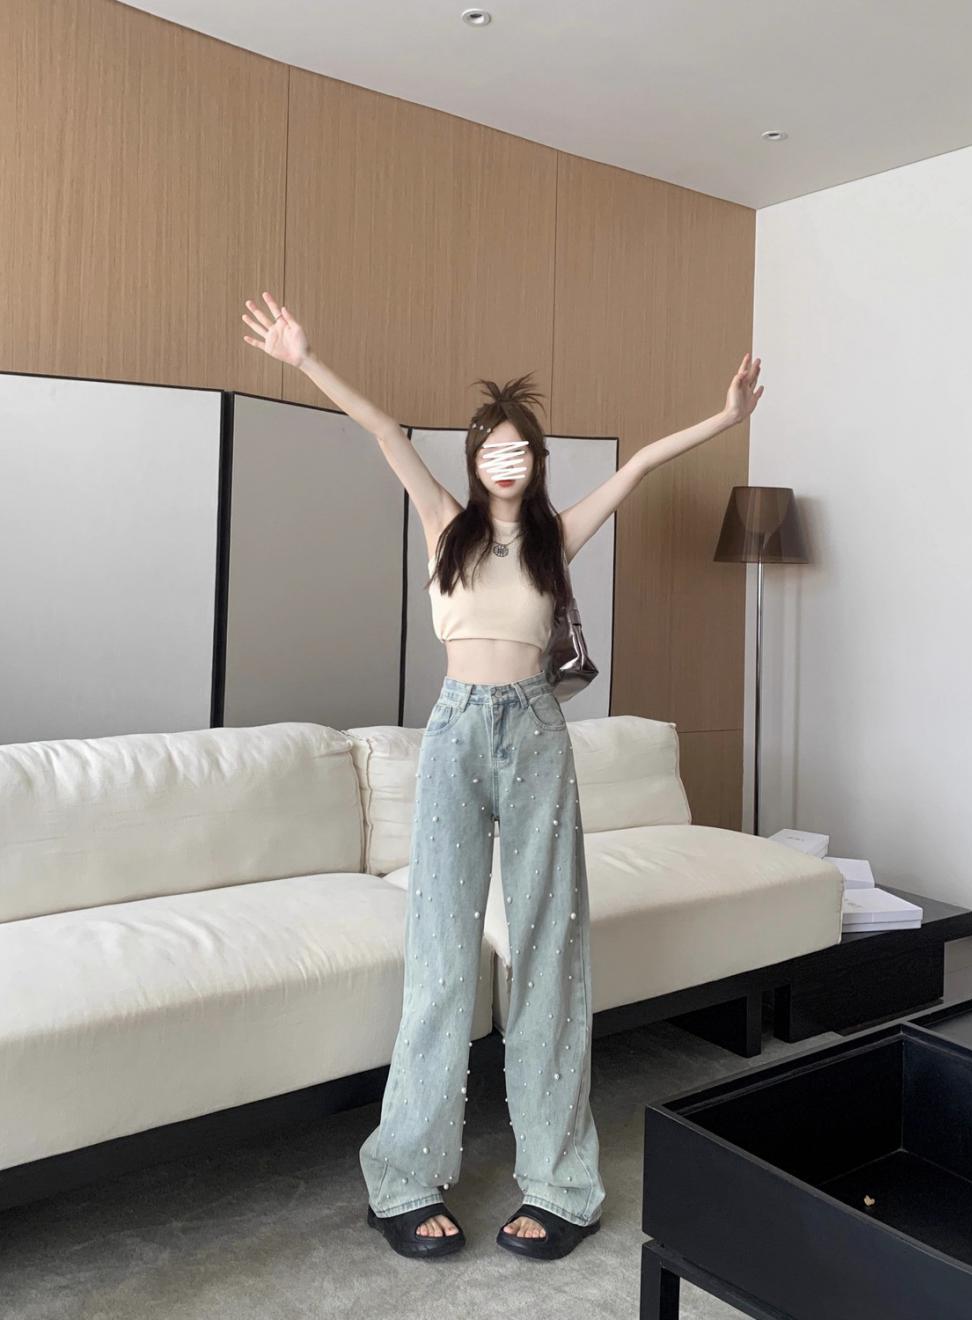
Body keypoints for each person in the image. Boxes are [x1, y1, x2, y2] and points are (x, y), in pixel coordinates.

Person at [241, 292, 763, 1260]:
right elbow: (383, 430)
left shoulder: (558, 538)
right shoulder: (444, 522)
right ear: (476, 459)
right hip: (454, 734)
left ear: (537, 461)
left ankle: (561, 1183)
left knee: (548, 952)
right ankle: (403, 1176)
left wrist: (725, 420)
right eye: (492, 448)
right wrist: (304, 358)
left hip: (535, 734)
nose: (505, 461)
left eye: (520, 449)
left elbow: (642, 465)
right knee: (441, 958)